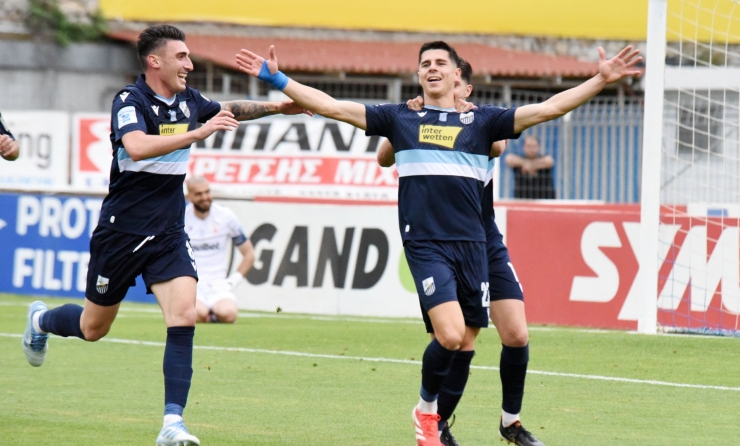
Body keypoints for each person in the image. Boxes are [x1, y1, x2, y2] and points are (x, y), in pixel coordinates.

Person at [236, 40, 640, 446]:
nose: (432, 68)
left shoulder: (482, 121)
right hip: (426, 243)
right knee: (449, 335)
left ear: (456, 75)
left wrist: (599, 80)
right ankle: (427, 412)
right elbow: (332, 106)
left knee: (475, 339)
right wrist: (277, 78)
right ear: (418, 75)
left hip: (475, 244)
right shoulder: (401, 116)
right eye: (425, 63)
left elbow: (548, 109)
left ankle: (476, 422)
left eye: (440, 63)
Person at [21, 24, 310, 446]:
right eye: (182, 57)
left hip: (169, 233)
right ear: (154, 61)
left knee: (184, 316)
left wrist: (280, 108)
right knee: (93, 327)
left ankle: (172, 424)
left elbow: (229, 108)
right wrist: (196, 134)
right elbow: (137, 146)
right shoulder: (129, 100)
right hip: (121, 233)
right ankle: (40, 320)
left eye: (189, 56)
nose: (189, 64)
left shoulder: (190, 101)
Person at [378, 60, 539, 446]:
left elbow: (498, 145)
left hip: (486, 241)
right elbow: (384, 157)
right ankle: (436, 421)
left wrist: (465, 117)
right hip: (443, 241)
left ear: (465, 89)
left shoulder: (480, 124)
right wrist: (412, 119)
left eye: (458, 82)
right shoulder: (421, 121)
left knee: (517, 333)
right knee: (460, 339)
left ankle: (510, 423)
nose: (448, 85)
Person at [185, 176, 254, 323]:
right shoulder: (181, 219)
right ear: (189, 196)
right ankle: (207, 314)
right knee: (197, 314)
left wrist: (232, 282)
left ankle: (212, 314)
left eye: (207, 192)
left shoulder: (225, 216)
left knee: (228, 314)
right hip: (192, 285)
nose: (205, 197)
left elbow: (249, 254)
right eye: (198, 194)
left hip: (218, 285)